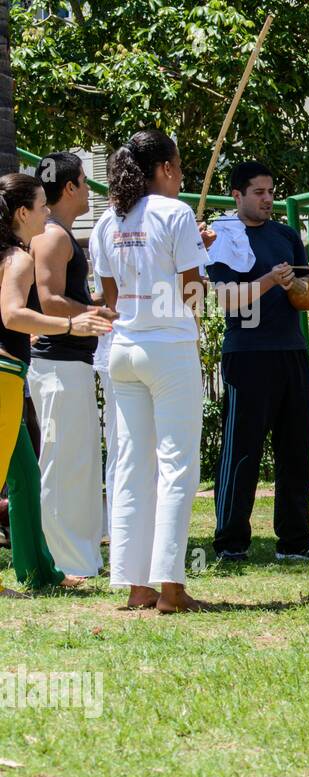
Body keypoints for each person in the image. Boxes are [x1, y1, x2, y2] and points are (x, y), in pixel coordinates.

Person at [92, 130, 212, 612]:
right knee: (176, 466)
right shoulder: (175, 213)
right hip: (168, 348)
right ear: (163, 168)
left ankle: (135, 585)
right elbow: (192, 292)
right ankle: (171, 588)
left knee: (131, 467)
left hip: (123, 349)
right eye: (179, 166)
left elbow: (111, 298)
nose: (181, 176)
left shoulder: (107, 219)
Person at [207, 160, 309, 563]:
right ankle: (231, 542)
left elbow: (302, 299)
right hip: (247, 355)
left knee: (295, 450)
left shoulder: (285, 235)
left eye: (271, 191)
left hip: (291, 351)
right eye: (258, 192)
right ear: (237, 195)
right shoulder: (223, 237)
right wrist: (268, 281)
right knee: (241, 450)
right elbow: (226, 298)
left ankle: (294, 541)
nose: (267, 199)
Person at [0, 172, 113, 596]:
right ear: (22, 212)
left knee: (26, 477)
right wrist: (70, 322)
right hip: (6, 375)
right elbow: (12, 314)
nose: (47, 215)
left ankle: (40, 572)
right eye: (42, 207)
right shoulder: (19, 257)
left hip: (10, 373)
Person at [28, 152, 105, 577]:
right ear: (71, 187)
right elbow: (50, 300)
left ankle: (82, 557)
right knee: (62, 465)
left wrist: (97, 308)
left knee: (79, 463)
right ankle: (65, 560)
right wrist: (92, 315)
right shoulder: (54, 237)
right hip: (57, 367)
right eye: (84, 181)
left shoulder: (60, 235)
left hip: (70, 366)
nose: (89, 190)